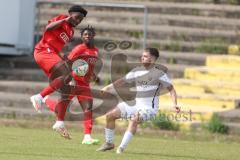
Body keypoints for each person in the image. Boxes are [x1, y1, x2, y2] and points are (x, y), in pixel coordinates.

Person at [96, 48, 179, 154]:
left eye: (145, 56)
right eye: (142, 56)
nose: (142, 58)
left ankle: (121, 148)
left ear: (152, 59)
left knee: (134, 119)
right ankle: (109, 143)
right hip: (136, 104)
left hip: (150, 109)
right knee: (110, 115)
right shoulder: (137, 71)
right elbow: (122, 81)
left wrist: (175, 104)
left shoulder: (159, 74)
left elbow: (171, 90)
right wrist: (108, 87)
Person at [30, 5, 87, 137]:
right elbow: (48, 28)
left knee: (66, 90)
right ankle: (39, 97)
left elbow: (57, 47)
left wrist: (63, 58)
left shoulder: (71, 32)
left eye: (80, 20)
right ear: (71, 14)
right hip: (43, 51)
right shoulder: (62, 18)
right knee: (67, 75)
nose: (78, 21)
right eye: (77, 17)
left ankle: (59, 122)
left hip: (52, 54)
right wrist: (64, 20)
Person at [43, 26, 100, 143]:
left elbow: (89, 68)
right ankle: (46, 100)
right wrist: (70, 78)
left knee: (88, 109)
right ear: (82, 37)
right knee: (62, 108)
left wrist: (94, 76)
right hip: (73, 82)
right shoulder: (79, 49)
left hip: (84, 85)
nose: (87, 36)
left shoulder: (96, 51)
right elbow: (68, 63)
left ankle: (87, 137)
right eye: (85, 34)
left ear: (93, 36)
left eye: (89, 34)